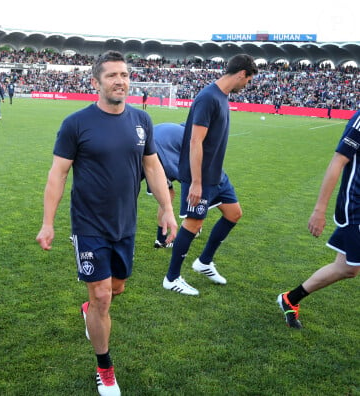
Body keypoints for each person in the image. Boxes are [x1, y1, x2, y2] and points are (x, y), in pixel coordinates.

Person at [36, 50, 178, 396]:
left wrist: (166, 209)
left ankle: (92, 308)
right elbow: (58, 174)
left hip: (124, 224)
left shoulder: (142, 121)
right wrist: (48, 222)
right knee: (101, 297)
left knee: (115, 290)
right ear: (95, 82)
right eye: (113, 75)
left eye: (125, 75)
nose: (120, 81)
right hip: (88, 225)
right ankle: (105, 367)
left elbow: (153, 168)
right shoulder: (76, 124)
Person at [162, 54, 258, 296]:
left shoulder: (222, 97)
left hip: (216, 174)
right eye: (248, 80)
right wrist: (196, 182)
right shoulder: (208, 97)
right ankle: (171, 278)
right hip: (201, 176)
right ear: (241, 74)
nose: (247, 84)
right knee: (194, 224)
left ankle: (204, 262)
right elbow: (195, 141)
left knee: (234, 213)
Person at [277, 109, 360, 329]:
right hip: (355, 207)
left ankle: (290, 298)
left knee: (347, 268)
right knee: (349, 267)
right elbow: (338, 161)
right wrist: (319, 210)